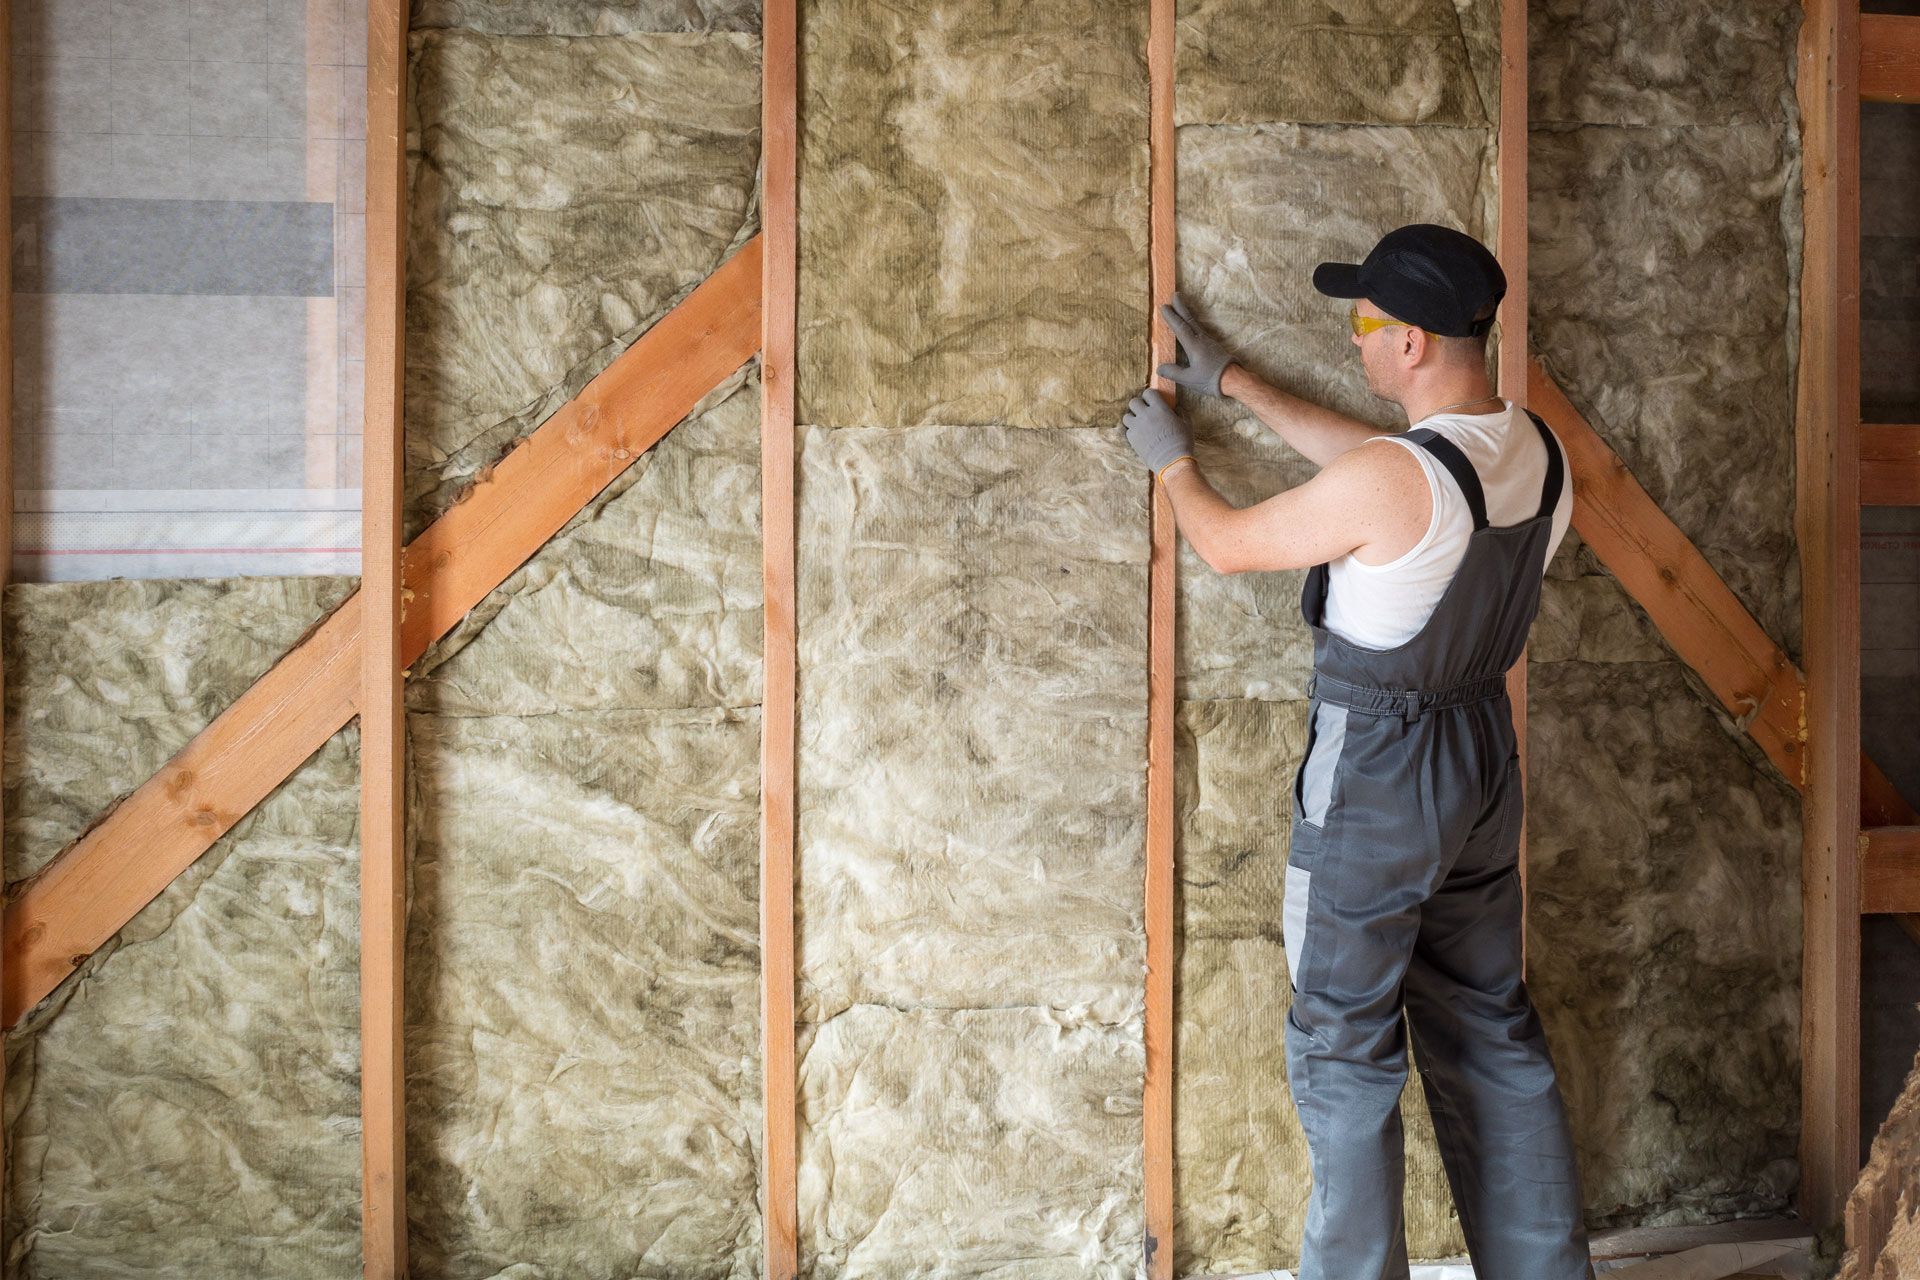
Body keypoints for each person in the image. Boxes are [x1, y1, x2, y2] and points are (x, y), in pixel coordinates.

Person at [1122, 223, 1594, 1280]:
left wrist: (1174, 459)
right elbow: (1389, 474)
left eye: (1368, 326)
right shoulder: (1533, 451)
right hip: (1480, 760)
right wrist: (1235, 380)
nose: (1358, 344)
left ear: (1416, 342)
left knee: (1343, 1045)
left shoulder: (1399, 479)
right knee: (1487, 1025)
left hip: (1381, 774)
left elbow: (1231, 541)